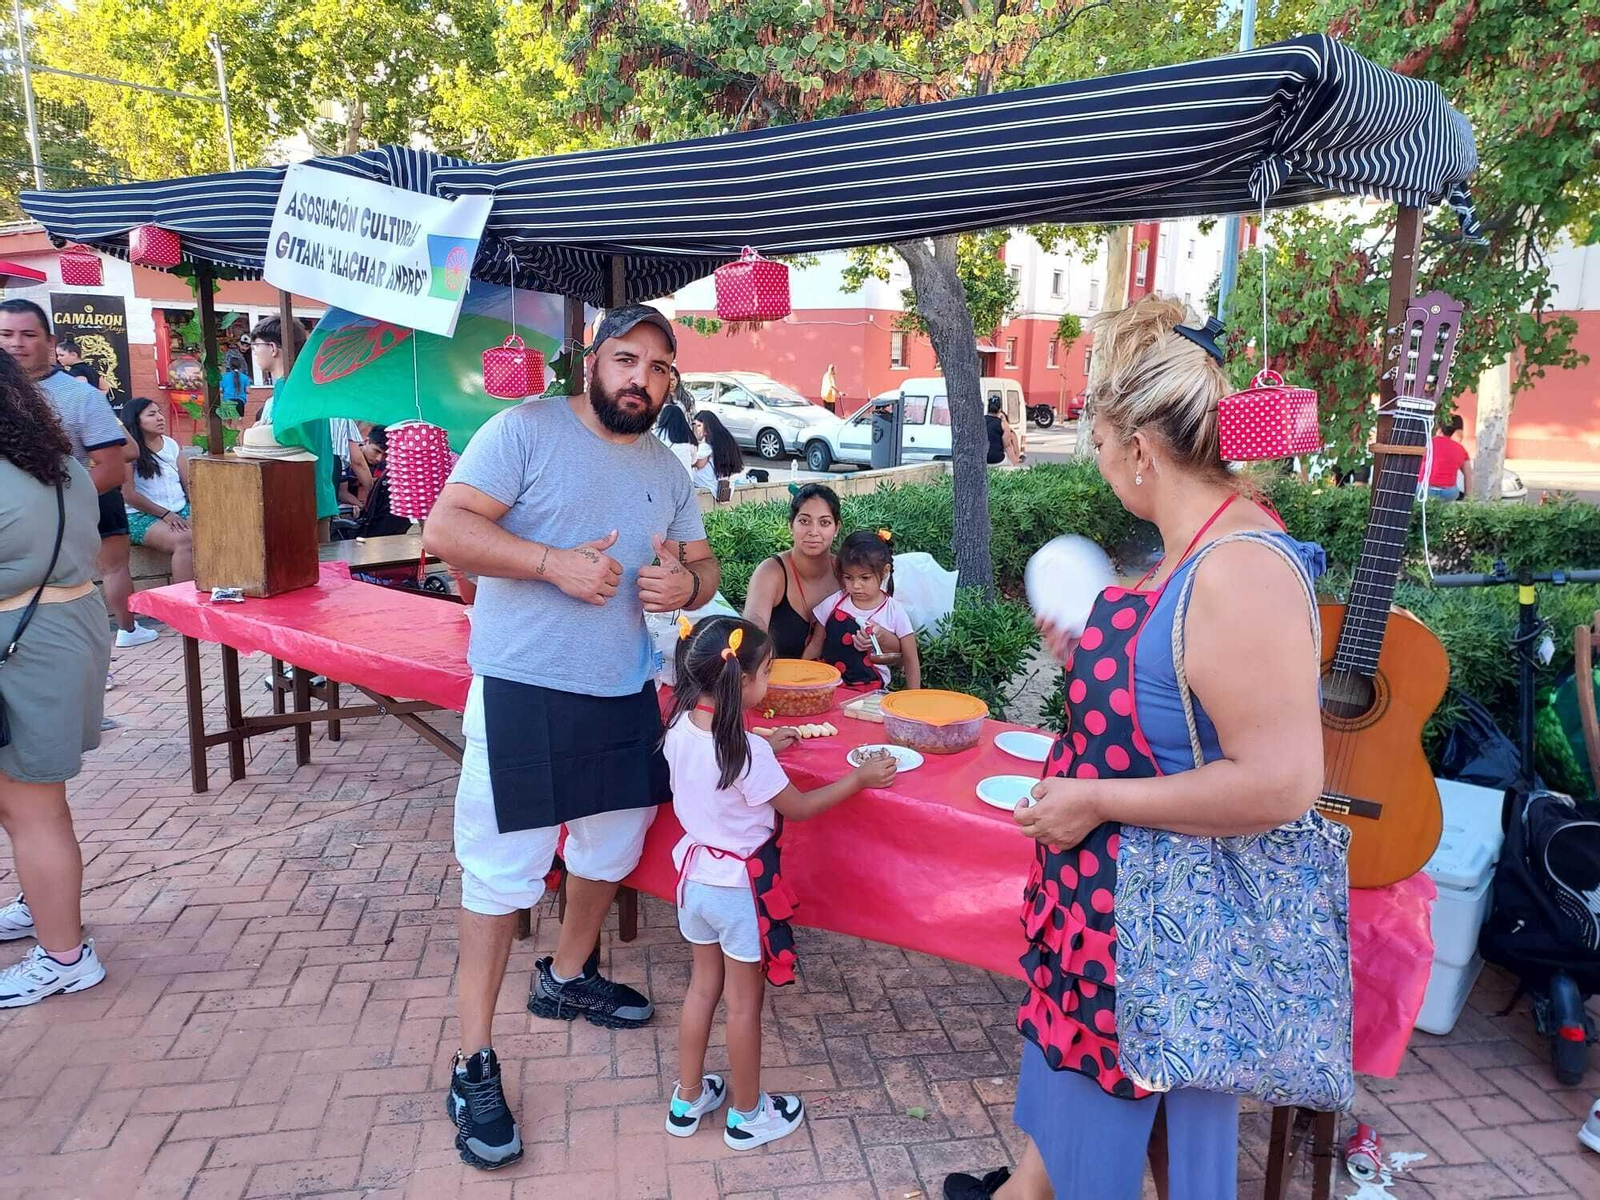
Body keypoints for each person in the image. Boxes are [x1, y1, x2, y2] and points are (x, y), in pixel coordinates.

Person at [946, 295, 1326, 1200]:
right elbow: (1176, 693)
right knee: (1086, 1140)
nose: (1105, 467)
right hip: (1116, 933)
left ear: (1143, 450)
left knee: (1123, 1149)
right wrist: (1096, 658)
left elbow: (1282, 784)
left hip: (1157, 939)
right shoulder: (1195, 547)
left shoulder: (1238, 567)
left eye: (1104, 448)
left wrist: (1095, 800)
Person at [423, 304, 720, 1171]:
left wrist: (682, 581)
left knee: (609, 848)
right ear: (592, 361)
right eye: (628, 360)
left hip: (625, 688)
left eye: (660, 369)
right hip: (521, 686)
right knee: (500, 872)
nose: (642, 380)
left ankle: (565, 974)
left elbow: (706, 567)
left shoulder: (667, 467)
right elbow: (447, 531)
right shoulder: (525, 430)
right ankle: (473, 1058)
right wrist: (551, 562)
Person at [662, 615, 897, 1149]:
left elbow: (725, 774)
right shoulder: (748, 752)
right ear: (740, 682)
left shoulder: (680, 728)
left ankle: (688, 1097)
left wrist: (770, 748)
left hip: (694, 879)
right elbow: (802, 808)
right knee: (744, 1006)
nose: (768, 683)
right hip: (738, 889)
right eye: (766, 673)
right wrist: (858, 779)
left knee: (702, 989)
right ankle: (747, 1115)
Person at [0, 348, 111, 1007]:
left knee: (31, 807)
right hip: (61, 630)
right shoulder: (56, 462)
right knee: (28, 803)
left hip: (23, 646)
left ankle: (65, 956)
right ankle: (42, 907)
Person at [0, 299, 149, 656]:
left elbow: (113, 468)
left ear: (50, 342)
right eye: (6, 334)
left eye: (28, 334)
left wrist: (52, 508)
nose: (16, 343)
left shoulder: (79, 397)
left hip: (57, 536)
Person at [247, 316, 338, 540]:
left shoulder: (286, 388)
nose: (254, 352)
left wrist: (261, 431)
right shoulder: (306, 385)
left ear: (272, 348)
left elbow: (287, 441)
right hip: (318, 490)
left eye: (255, 345)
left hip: (298, 494)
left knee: (305, 568)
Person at [804, 529, 920, 690]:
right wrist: (799, 681)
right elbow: (815, 646)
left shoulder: (894, 611)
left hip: (872, 693)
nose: (856, 586)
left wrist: (914, 698)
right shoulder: (833, 603)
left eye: (865, 578)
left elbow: (910, 658)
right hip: (830, 688)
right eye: (848, 578)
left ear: (885, 571)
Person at [742, 483, 844, 659]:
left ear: (836, 528)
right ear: (791, 525)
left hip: (843, 684)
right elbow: (752, 633)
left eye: (824, 522)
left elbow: (891, 641)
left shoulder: (847, 575)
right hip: (777, 682)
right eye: (804, 521)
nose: (813, 531)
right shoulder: (771, 572)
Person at [119, 398, 194, 585]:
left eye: (159, 412)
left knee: (214, 531)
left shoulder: (171, 445)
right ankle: (183, 604)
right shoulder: (127, 451)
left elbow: (188, 484)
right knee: (185, 540)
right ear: (136, 421)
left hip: (179, 509)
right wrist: (165, 514)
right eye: (152, 415)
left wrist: (196, 510)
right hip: (141, 515)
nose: (160, 418)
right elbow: (129, 495)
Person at [350, 426, 412, 539]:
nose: (379, 458)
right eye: (376, 451)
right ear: (366, 441)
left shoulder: (386, 468)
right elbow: (341, 492)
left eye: (385, 455)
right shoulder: (347, 459)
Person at [691, 409, 743, 501]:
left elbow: (698, 463)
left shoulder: (706, 446)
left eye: (699, 425)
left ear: (707, 427)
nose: (697, 429)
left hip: (710, 485)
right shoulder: (725, 441)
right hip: (724, 485)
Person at [1420, 413, 1473, 501]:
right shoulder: (1460, 449)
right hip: (1448, 493)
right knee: (1455, 492)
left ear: (1440, 429)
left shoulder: (1428, 443)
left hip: (1424, 489)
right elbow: (1469, 475)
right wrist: (1468, 499)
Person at [656, 403, 697, 476]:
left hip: (664, 479)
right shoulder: (689, 437)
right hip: (686, 481)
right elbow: (693, 461)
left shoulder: (656, 434)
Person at [987, 395, 1022, 466]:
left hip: (982, 459)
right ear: (999, 410)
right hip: (998, 460)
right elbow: (1007, 446)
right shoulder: (1003, 424)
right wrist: (1014, 462)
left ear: (988, 408)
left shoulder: (979, 422)